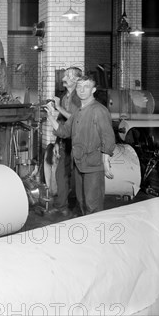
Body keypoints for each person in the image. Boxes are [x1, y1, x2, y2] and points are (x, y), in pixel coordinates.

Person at [45, 75, 115, 216]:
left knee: (92, 204)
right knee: (82, 202)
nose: (82, 90)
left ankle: (96, 232)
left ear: (93, 90)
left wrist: (106, 161)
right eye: (79, 86)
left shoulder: (98, 110)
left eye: (86, 87)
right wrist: (51, 117)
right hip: (78, 163)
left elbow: (108, 136)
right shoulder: (78, 111)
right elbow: (64, 132)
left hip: (93, 165)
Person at [49, 67, 82, 217]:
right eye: (65, 75)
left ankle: (79, 209)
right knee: (60, 173)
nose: (64, 77)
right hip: (65, 141)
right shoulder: (64, 97)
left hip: (78, 141)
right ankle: (61, 205)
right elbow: (62, 120)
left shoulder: (79, 97)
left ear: (76, 79)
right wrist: (57, 142)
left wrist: (58, 108)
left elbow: (75, 119)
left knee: (77, 177)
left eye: (68, 75)